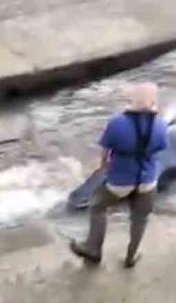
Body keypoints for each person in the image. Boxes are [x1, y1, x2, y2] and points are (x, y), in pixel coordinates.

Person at [70, 82, 169, 268]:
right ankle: (131, 257)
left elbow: (105, 152)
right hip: (147, 180)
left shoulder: (117, 122)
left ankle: (94, 249)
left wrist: (104, 167)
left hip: (120, 180)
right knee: (140, 219)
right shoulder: (161, 125)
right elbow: (161, 148)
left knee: (97, 207)